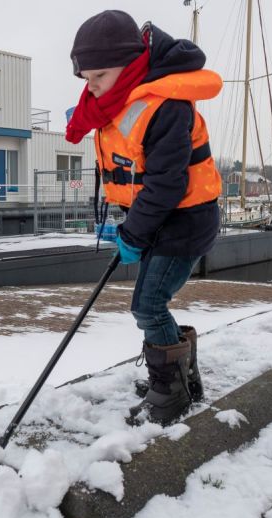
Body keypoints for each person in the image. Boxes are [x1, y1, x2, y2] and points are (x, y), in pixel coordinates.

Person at [65, 10, 223, 425]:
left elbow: (167, 185)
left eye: (98, 75)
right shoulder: (118, 101)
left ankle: (170, 392)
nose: (91, 86)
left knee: (148, 305)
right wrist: (132, 225)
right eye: (86, 79)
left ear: (129, 64)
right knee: (150, 305)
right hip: (154, 218)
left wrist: (133, 233)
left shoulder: (166, 107)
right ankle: (181, 379)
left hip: (185, 219)